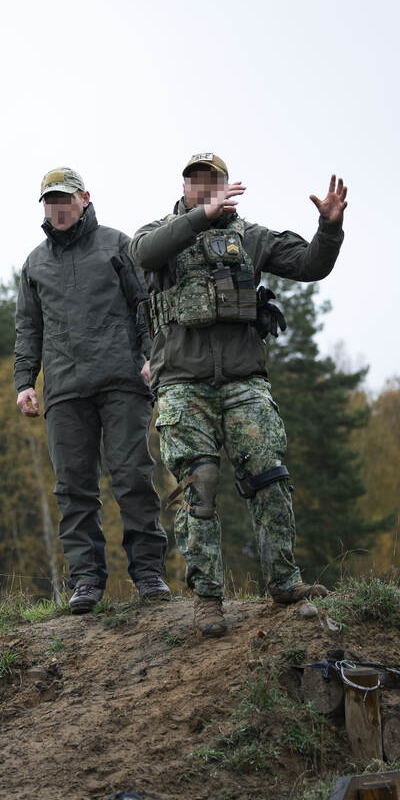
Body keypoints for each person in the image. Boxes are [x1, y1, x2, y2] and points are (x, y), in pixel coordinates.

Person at [130, 153, 348, 637]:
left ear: (229, 186)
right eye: (196, 182)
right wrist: (198, 220)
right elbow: (142, 255)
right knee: (199, 487)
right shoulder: (158, 233)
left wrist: (329, 229)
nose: (206, 189)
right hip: (183, 384)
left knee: (269, 478)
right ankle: (208, 598)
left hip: (244, 380)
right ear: (184, 188)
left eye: (214, 182)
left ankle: (284, 581)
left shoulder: (251, 237)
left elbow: (311, 264)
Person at [14, 167, 170, 614]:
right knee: (73, 489)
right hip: (64, 389)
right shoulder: (34, 263)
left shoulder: (118, 245)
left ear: (84, 198)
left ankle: (148, 574)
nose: (57, 208)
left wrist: (149, 357)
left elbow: (145, 306)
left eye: (64, 199)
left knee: (132, 476)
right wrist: (25, 381)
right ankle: (85, 581)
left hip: (122, 381)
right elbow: (28, 327)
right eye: (49, 201)